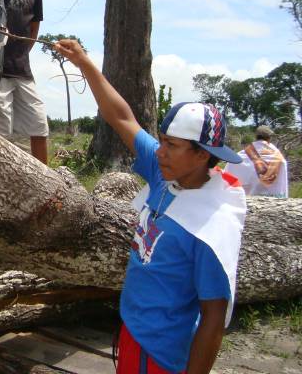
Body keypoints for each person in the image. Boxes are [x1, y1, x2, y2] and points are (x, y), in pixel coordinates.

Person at [54, 39, 247, 374]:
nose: (160, 152)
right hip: (133, 331)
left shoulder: (212, 224)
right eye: (162, 141)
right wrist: (84, 62)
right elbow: (122, 117)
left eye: (171, 145)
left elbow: (214, 317)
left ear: (202, 155)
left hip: (164, 353)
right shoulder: (165, 175)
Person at [0, 0, 49, 164]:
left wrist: (22, 52)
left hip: (23, 70)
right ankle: (1, 177)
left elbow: (33, 30)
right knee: (0, 129)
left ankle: (47, 179)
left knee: (39, 124)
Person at [223, 125, 288, 198]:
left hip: (245, 199)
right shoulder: (279, 157)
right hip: (273, 201)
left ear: (256, 137)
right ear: (269, 138)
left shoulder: (240, 155)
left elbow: (228, 174)